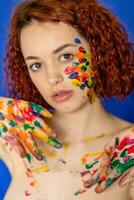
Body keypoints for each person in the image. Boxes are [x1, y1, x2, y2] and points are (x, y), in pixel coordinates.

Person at [1, 0, 134, 199]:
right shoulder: (19, 137)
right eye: (36, 65)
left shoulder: (127, 153)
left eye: (65, 56)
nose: (52, 78)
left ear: (98, 52)